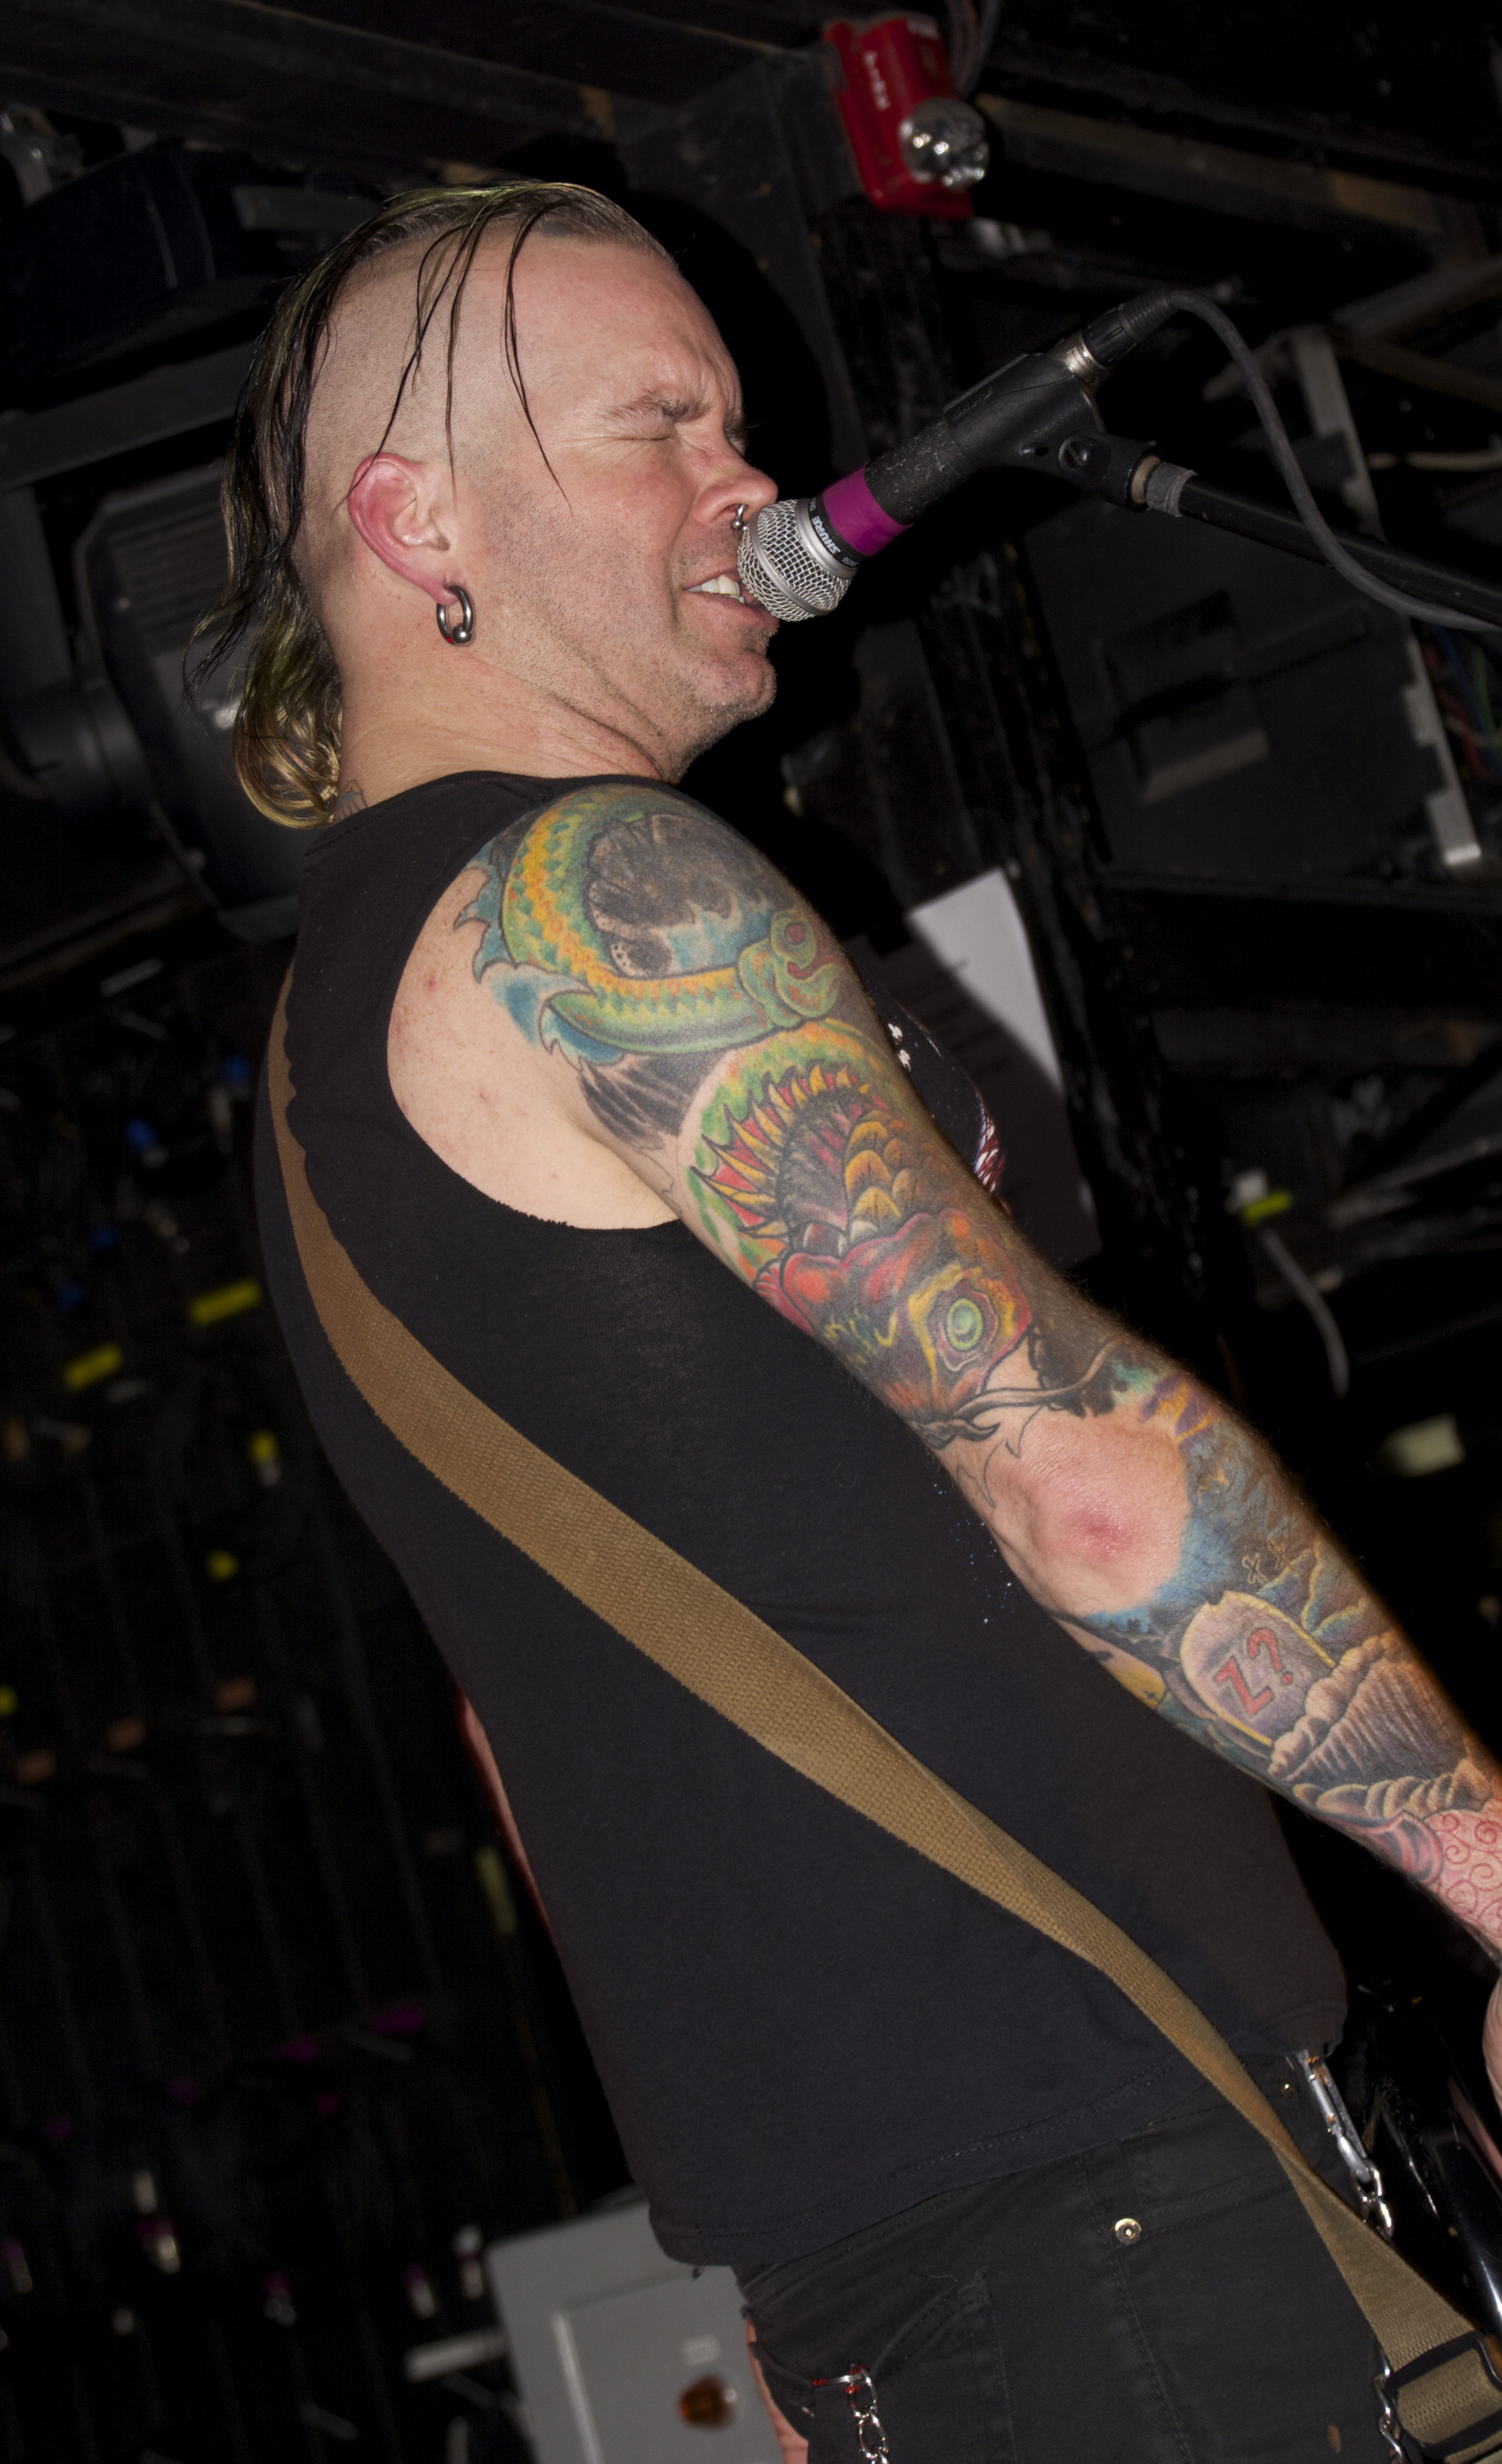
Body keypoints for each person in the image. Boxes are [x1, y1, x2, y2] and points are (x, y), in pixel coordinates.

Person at [229, 181, 1502, 2462]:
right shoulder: (585, 889)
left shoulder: (331, 1040)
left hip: (964, 2275)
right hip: (1125, 2221)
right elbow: (1077, 1467)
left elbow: (523, 1721)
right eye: (661, 426)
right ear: (420, 520)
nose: (751, 482)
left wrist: (806, 2267)